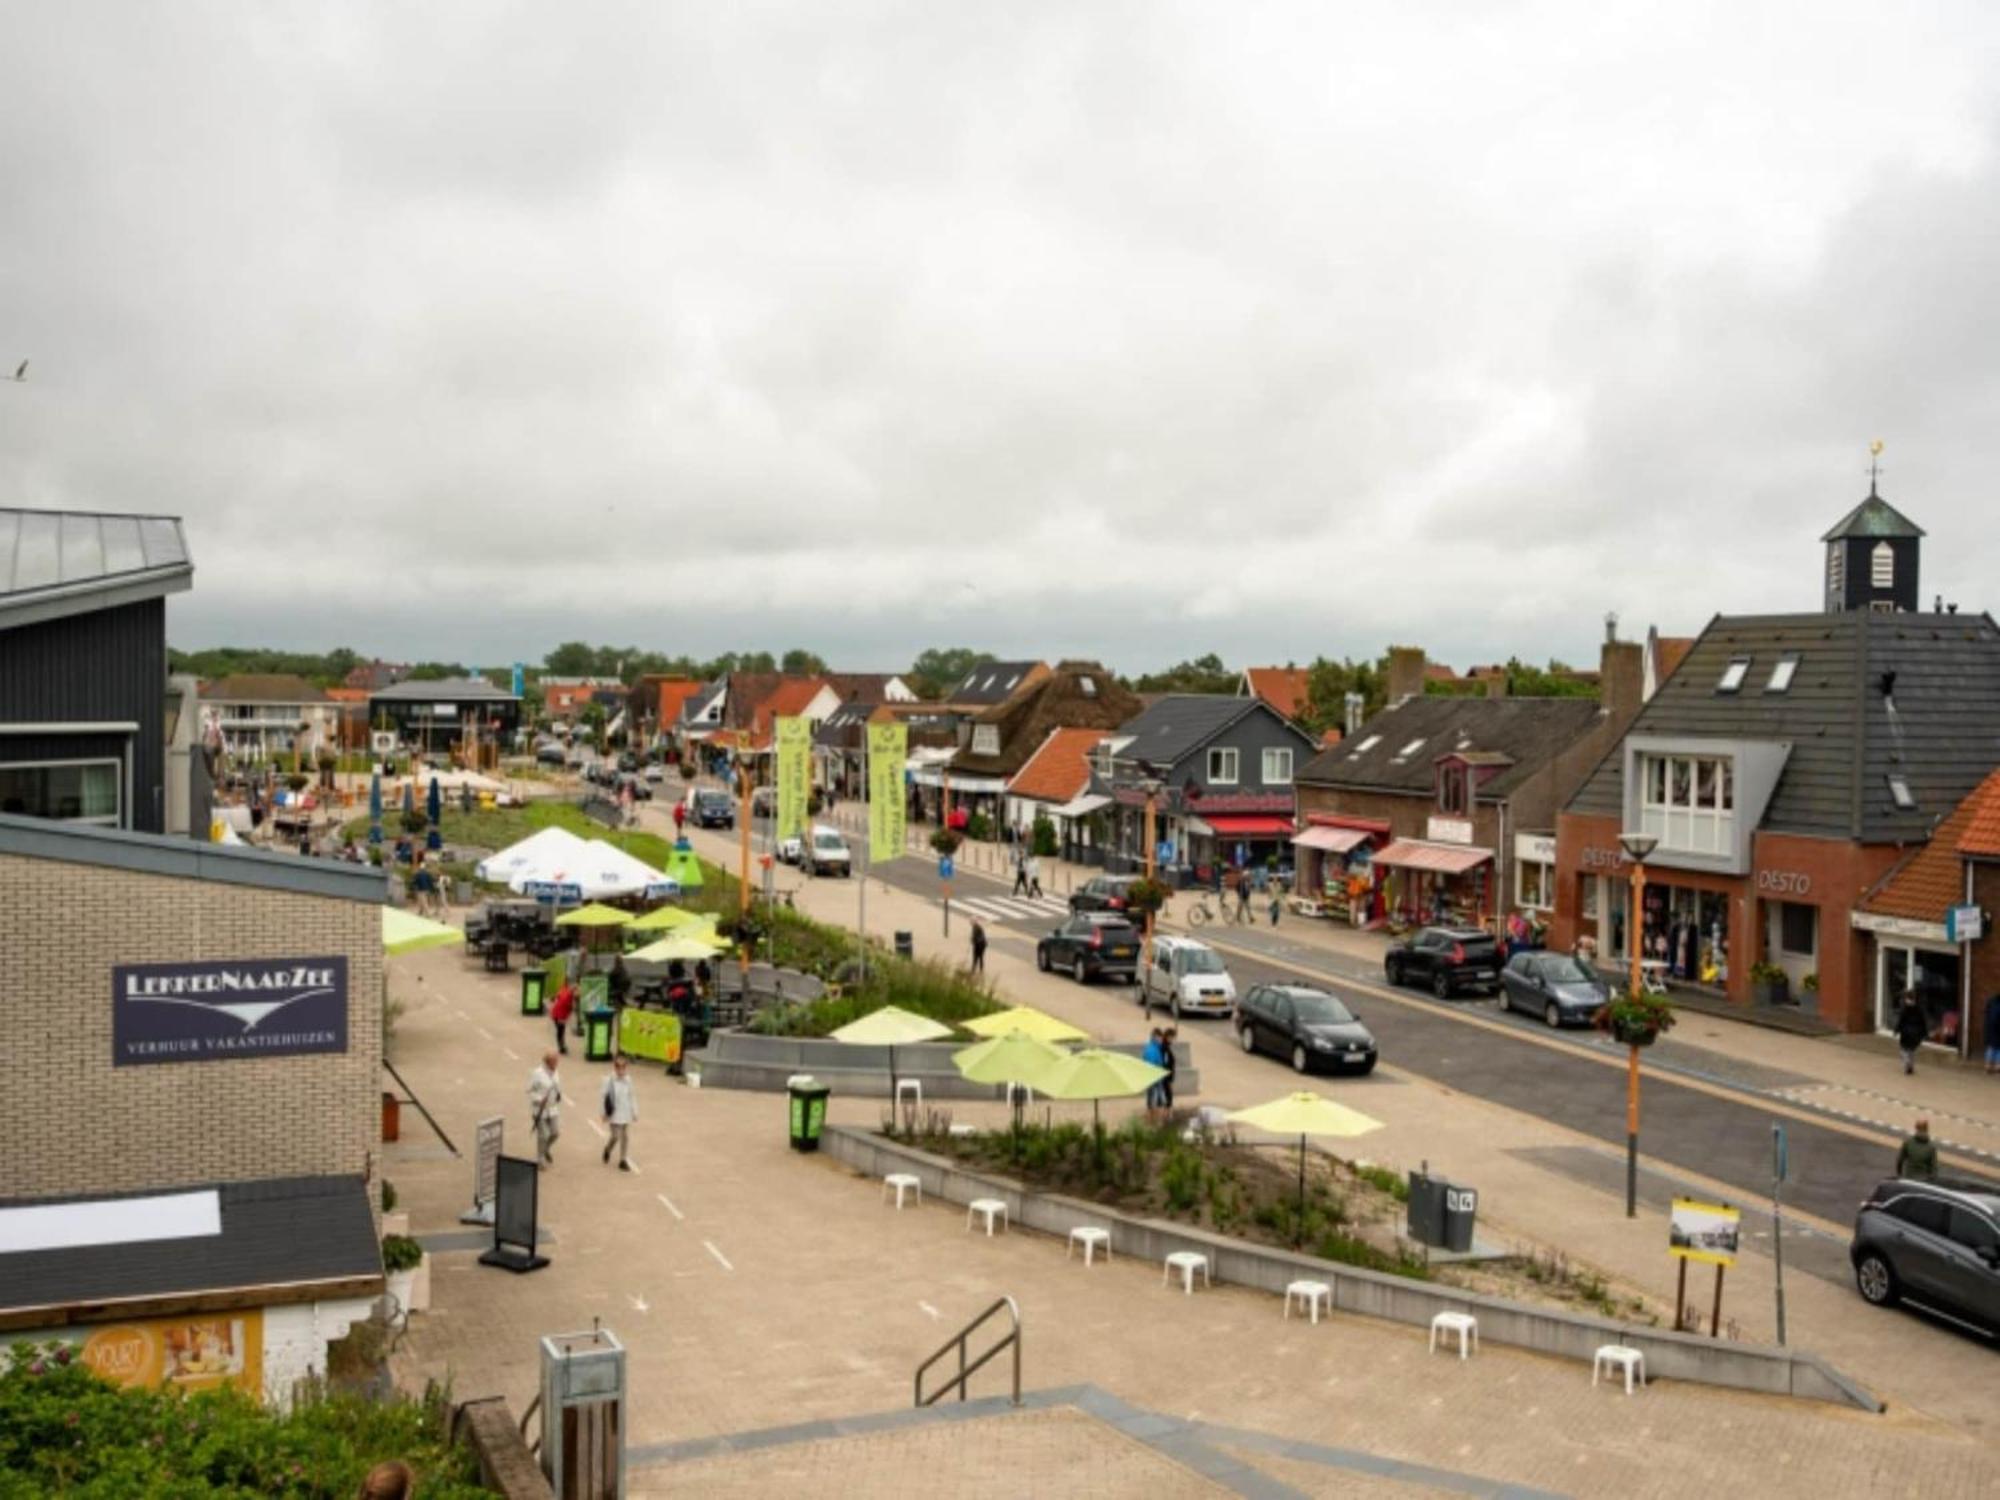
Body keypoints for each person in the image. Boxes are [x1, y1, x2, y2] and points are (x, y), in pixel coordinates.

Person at [602, 1053, 638, 1170]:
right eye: (619, 1067)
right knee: (615, 1136)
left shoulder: (628, 1080)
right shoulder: (609, 1080)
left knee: (625, 1136)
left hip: (625, 1111)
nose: (621, 1070)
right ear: (615, 1067)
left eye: (624, 1067)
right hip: (614, 1113)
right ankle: (608, 1149)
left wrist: (634, 1111)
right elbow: (604, 1097)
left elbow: (632, 1096)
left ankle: (623, 1160)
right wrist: (603, 1113)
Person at [528, 1052, 564, 1167]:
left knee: (555, 1133)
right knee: (543, 1134)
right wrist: (539, 1098)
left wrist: (559, 1094)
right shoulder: (537, 1073)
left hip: (553, 1109)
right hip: (540, 1109)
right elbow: (529, 1090)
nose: (556, 1064)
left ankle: (546, 1149)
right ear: (548, 1062)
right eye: (554, 1062)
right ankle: (540, 1158)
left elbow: (557, 1086)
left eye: (557, 1061)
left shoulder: (555, 1072)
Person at [1894, 991, 1927, 1075]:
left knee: (1904, 1049)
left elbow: (1901, 1021)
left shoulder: (1905, 1009)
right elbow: (1923, 1022)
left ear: (1907, 999)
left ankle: (1907, 1063)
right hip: (1916, 1033)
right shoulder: (1919, 1009)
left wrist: (1896, 1030)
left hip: (1906, 1032)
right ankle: (1911, 1066)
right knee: (1912, 1050)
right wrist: (1924, 1033)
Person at [1143, 1027, 1167, 1121]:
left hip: (1157, 1079)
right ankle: (1153, 1120)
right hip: (1154, 1079)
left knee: (1154, 1101)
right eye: (1160, 1038)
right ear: (1155, 1037)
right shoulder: (1151, 1050)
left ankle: (1154, 1119)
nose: (1161, 1040)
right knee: (1154, 1102)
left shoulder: (1155, 1048)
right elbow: (1150, 1066)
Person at [549, 978, 576, 1056]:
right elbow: (566, 1003)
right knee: (561, 1030)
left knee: (560, 1030)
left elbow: (558, 996)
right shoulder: (568, 993)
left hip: (557, 1013)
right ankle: (561, 1047)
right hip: (560, 1014)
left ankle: (561, 1045)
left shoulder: (564, 988)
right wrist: (572, 1007)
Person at [1159, 1025, 1179, 1115]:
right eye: (1172, 1037)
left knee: (1168, 1095)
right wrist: (1169, 1077)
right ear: (1167, 1037)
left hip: (1168, 1075)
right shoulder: (1164, 1048)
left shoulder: (1166, 1047)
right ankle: (1167, 1113)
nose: (1173, 1040)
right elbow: (1165, 1063)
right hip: (1166, 1076)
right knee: (1168, 1095)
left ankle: (1167, 1111)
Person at [1984, 991, 2000, 1074]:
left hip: (1989, 1028)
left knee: (1991, 1047)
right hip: (1997, 1028)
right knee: (1998, 1048)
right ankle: (1997, 1066)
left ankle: (1988, 1066)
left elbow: (1986, 1013)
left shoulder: (1990, 1002)